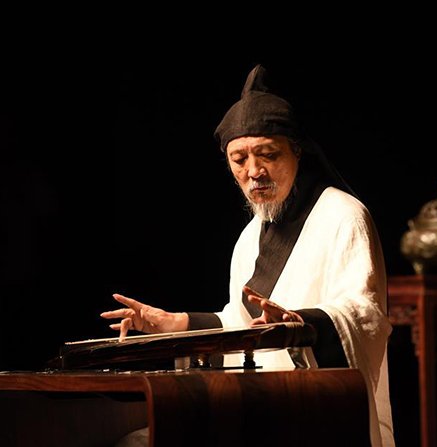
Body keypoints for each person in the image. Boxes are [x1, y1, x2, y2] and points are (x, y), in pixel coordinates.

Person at [102, 64, 395, 447]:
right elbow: (240, 326)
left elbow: (365, 316)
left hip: (312, 409)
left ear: (297, 151)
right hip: (257, 404)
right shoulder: (250, 235)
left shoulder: (344, 215)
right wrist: (176, 323)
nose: (254, 171)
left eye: (268, 154)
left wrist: (300, 325)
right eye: (239, 159)